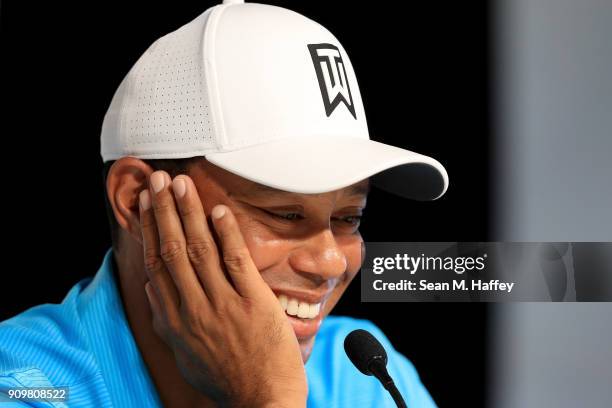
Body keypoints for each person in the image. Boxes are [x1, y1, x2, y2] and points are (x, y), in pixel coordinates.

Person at [0, 1, 448, 406]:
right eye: (285, 214)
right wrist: (267, 396)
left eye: (349, 218)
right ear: (138, 200)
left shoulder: (361, 379)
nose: (330, 262)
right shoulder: (21, 385)